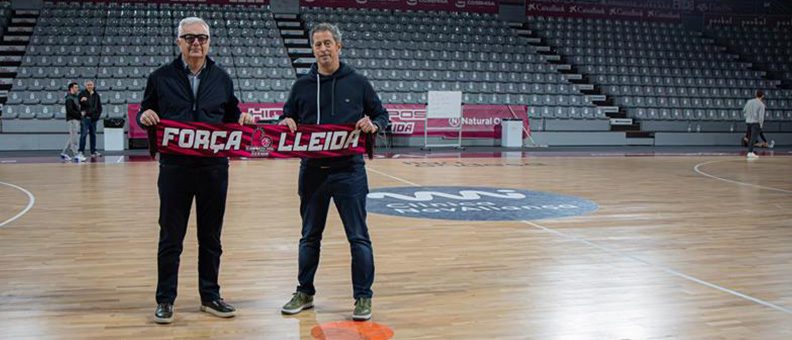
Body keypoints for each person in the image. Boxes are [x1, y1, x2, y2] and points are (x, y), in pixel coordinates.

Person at [137, 17, 253, 324]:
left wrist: (242, 119)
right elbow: (146, 110)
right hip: (174, 168)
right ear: (179, 41)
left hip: (213, 169)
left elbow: (232, 114)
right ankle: (165, 300)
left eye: (201, 37)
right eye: (189, 38)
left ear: (209, 42)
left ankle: (210, 296)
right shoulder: (160, 77)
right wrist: (145, 116)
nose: (196, 43)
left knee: (211, 237)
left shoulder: (222, 78)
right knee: (170, 238)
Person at [278, 23, 389, 321]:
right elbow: (286, 115)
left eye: (328, 43)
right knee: (309, 236)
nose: (323, 49)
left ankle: (363, 297)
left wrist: (374, 124)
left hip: (349, 171)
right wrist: (285, 121)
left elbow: (382, 114)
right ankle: (304, 292)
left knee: (358, 237)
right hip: (312, 171)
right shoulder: (301, 85)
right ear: (313, 49)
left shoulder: (358, 82)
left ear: (339, 46)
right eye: (318, 44)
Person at [78, 80, 102, 159]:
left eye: (91, 85)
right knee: (83, 135)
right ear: (85, 86)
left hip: (93, 119)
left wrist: (97, 116)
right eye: (88, 85)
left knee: (93, 135)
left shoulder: (96, 95)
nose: (89, 86)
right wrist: (82, 100)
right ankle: (81, 151)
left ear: (93, 85)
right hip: (85, 118)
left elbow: (99, 107)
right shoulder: (82, 94)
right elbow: (78, 104)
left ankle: (93, 151)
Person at [60, 82, 83, 162]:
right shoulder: (69, 98)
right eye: (76, 87)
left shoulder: (75, 97)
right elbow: (70, 111)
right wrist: (80, 114)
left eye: (77, 87)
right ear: (71, 88)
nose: (77, 89)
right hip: (72, 119)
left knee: (72, 137)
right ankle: (76, 155)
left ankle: (64, 153)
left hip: (76, 119)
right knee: (74, 138)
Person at [743, 90, 766, 159]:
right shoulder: (762, 105)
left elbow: (744, 110)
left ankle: (750, 152)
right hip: (755, 123)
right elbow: (761, 117)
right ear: (762, 96)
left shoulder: (749, 101)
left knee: (750, 138)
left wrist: (747, 117)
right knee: (753, 138)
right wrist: (761, 125)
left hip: (748, 122)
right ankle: (750, 152)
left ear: (756, 95)